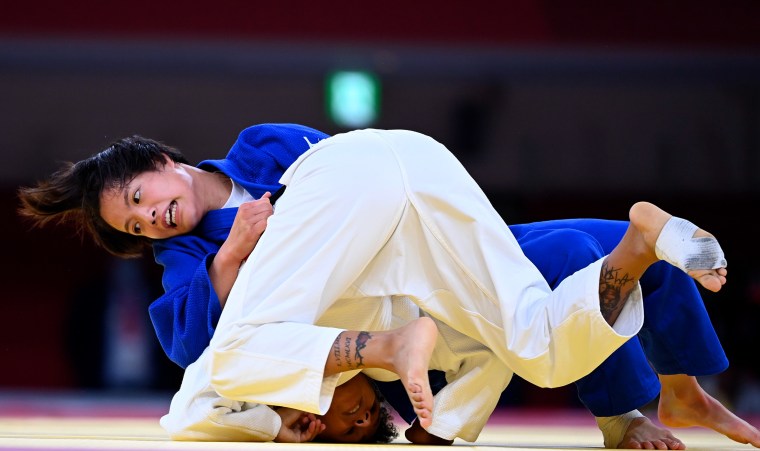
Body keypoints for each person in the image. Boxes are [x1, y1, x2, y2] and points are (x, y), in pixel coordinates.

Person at [16, 125, 749, 447]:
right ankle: (642, 244)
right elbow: (182, 337)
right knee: (543, 334)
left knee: (235, 355)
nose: (151, 220)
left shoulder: (262, 149)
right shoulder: (189, 257)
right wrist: (229, 256)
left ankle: (633, 406)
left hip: (371, 192)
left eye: (140, 199)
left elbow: (206, 367)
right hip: (418, 219)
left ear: (167, 160)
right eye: (138, 227)